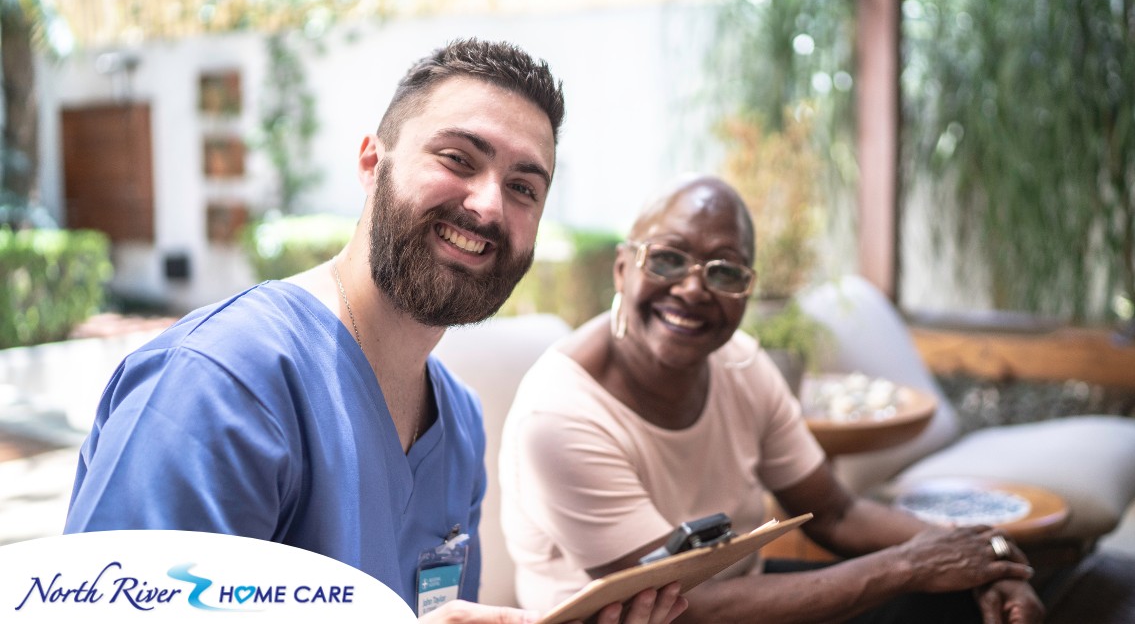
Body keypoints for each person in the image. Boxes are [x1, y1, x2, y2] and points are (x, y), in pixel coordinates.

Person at [64, 38, 686, 624]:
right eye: (457, 159)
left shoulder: (459, 425)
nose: (490, 205)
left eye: (523, 187)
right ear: (371, 163)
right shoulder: (219, 384)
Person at [499, 174, 1045, 623]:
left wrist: (984, 559)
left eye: (724, 271)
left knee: (958, 604)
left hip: (738, 599)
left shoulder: (741, 363)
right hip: (655, 618)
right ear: (623, 268)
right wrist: (909, 566)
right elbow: (678, 605)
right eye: (667, 259)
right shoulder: (561, 415)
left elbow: (836, 512)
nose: (693, 288)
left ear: (747, 290)